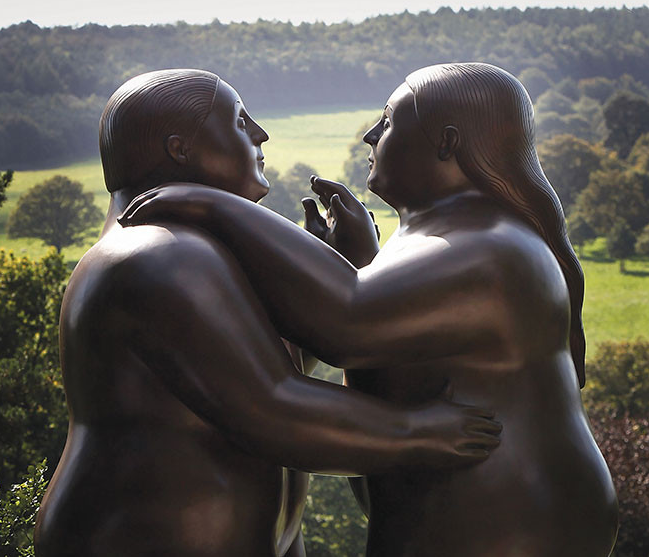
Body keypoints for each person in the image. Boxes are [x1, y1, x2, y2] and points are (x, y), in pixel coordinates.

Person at [121, 63, 619, 556]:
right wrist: (359, 260)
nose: (370, 136)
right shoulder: (449, 234)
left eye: (388, 120)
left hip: (508, 522)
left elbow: (349, 323)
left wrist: (213, 206)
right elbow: (388, 337)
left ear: (447, 142)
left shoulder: (490, 245)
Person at [34, 69, 502, 557]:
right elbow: (273, 407)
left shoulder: (197, 250)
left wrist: (325, 271)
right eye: (239, 121)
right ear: (180, 149)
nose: (261, 134)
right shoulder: (159, 255)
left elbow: (246, 370)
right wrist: (425, 430)